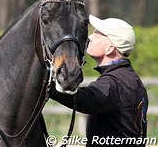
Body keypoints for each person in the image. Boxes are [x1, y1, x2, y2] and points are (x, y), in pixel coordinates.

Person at [50, 15, 148, 147]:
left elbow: (86, 99)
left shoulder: (114, 82)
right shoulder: (132, 80)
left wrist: (46, 86)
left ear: (110, 48)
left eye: (97, 34)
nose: (90, 37)